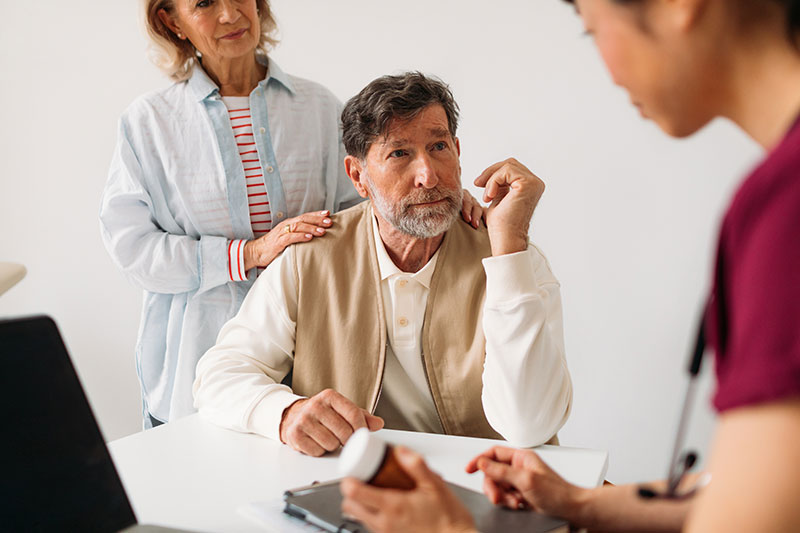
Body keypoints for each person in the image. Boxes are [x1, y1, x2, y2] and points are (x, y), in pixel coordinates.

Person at [340, 0, 800, 531]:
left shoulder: (782, 211)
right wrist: (579, 503)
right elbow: (749, 489)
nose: (606, 68)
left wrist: (448, 530)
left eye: (592, 31)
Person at [99, 0, 482, 428]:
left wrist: (439, 202)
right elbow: (132, 250)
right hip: (196, 367)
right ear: (172, 21)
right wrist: (249, 253)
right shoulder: (148, 123)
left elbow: (373, 204)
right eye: (204, 3)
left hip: (316, 372)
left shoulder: (319, 107)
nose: (230, 14)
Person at [192, 72, 573, 456]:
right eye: (399, 153)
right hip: (356, 485)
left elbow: (530, 426)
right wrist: (285, 413)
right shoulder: (309, 259)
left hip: (483, 485)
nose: (428, 175)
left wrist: (509, 249)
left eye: (439, 146)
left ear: (457, 151)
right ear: (358, 176)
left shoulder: (514, 261)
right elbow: (219, 377)